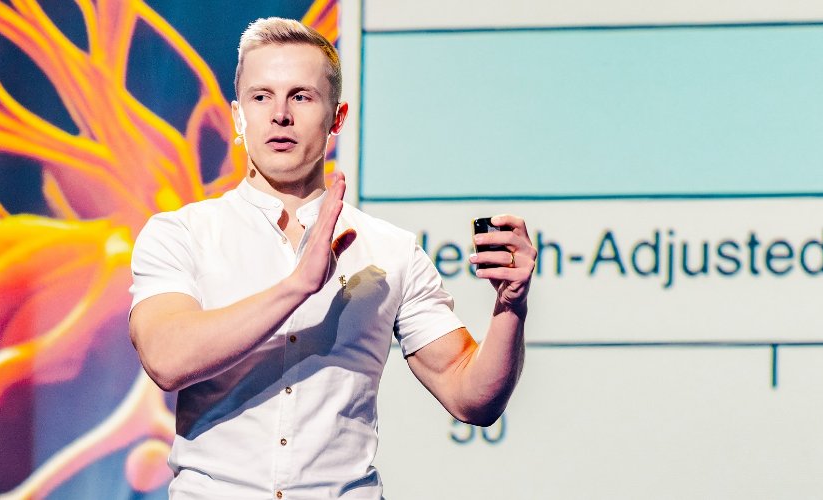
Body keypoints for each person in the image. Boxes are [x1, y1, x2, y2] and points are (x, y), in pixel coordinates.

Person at [127, 17, 533, 499]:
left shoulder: (390, 250)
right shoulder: (182, 233)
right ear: (238, 116)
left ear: (337, 118)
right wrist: (297, 286)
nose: (280, 115)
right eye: (261, 97)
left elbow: (471, 398)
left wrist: (511, 306)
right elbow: (166, 358)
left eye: (301, 97)